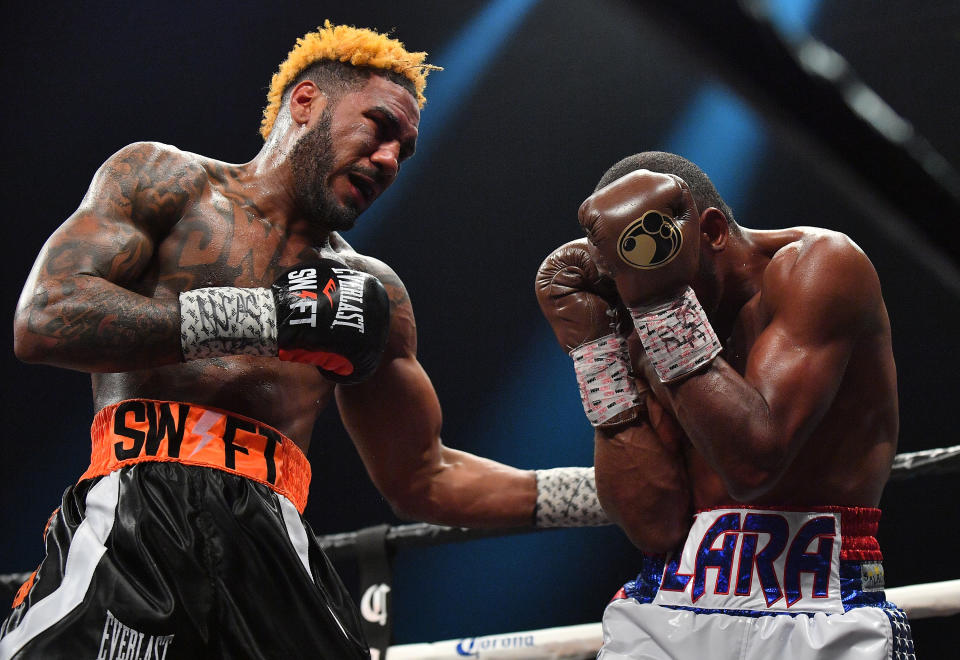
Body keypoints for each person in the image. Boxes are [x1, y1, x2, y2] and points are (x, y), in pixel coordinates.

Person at [2, 22, 605, 659]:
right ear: (307, 101)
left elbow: (425, 476)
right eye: (379, 127)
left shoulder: (371, 293)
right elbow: (45, 315)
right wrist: (267, 317)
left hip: (273, 548)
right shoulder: (165, 180)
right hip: (133, 519)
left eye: (405, 149)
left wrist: (606, 497)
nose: (390, 160)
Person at [537, 151, 915, 659]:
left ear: (712, 231)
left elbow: (753, 462)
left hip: (814, 601)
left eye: (654, 259)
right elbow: (652, 525)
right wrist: (596, 355)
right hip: (671, 601)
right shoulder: (639, 311)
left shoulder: (819, 266)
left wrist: (656, 298)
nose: (642, 292)